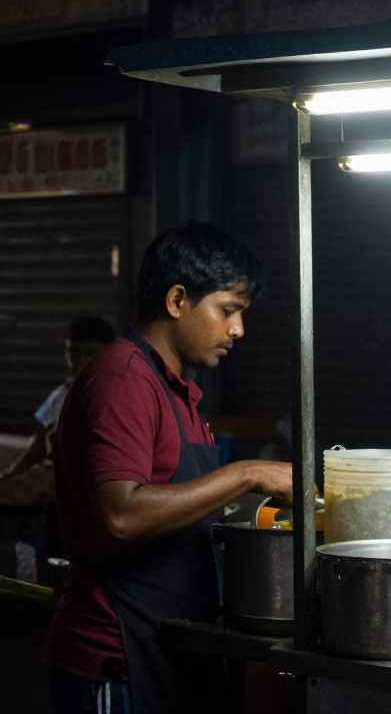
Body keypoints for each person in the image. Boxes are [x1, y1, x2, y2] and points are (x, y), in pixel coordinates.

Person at [45, 222, 295, 714]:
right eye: (228, 311)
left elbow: (180, 509)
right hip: (116, 658)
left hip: (162, 643)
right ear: (178, 300)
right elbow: (121, 517)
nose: (238, 330)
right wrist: (246, 474)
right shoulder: (124, 380)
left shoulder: (175, 390)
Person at [2, 316, 115, 483]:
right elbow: (40, 442)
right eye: (73, 353)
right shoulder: (61, 395)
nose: (80, 362)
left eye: (90, 353)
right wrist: (11, 475)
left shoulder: (122, 396)